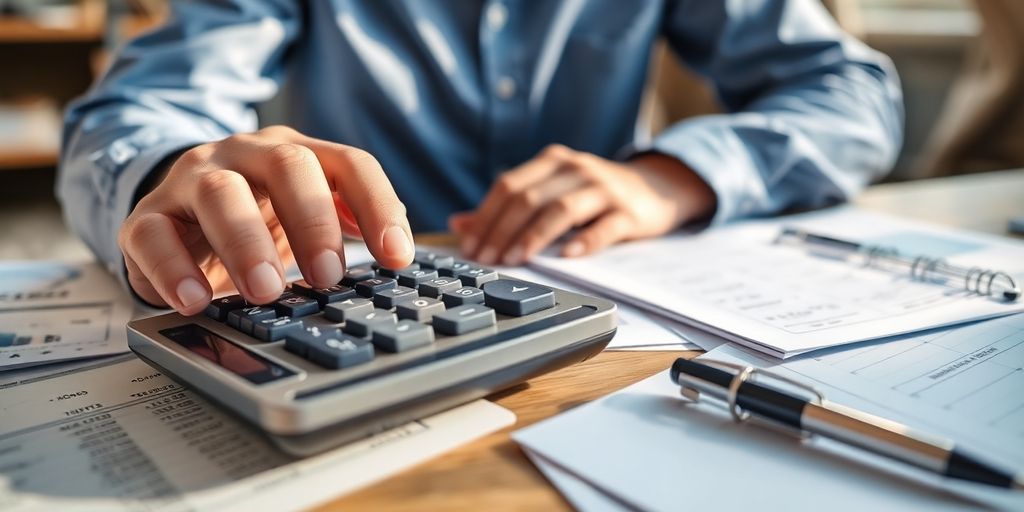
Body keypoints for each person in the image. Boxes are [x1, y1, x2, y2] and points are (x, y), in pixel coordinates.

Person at [58, 0, 903, 317]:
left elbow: (854, 93)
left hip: (613, 313)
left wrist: (672, 178)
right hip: (339, 301)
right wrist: (172, 173)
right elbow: (136, 109)